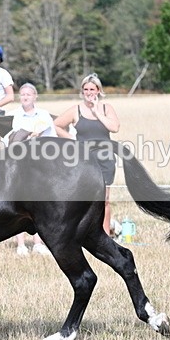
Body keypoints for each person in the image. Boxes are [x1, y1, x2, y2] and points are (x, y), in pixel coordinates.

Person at [53, 73, 121, 236]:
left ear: (98, 90)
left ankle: (105, 236)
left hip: (105, 160)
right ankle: (80, 234)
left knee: (104, 200)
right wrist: (74, 140)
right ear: (82, 91)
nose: (89, 92)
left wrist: (97, 113)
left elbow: (114, 127)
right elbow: (56, 125)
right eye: (85, 89)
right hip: (83, 161)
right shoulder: (76, 110)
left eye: (92, 89)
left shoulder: (106, 108)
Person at [8, 83, 56, 255]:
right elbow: (9, 140)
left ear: (35, 96)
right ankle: (20, 244)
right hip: (20, 164)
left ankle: (38, 242)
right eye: (22, 94)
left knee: (40, 203)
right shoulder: (13, 116)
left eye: (29, 94)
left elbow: (53, 140)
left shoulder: (44, 115)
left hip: (41, 165)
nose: (25, 97)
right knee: (20, 203)